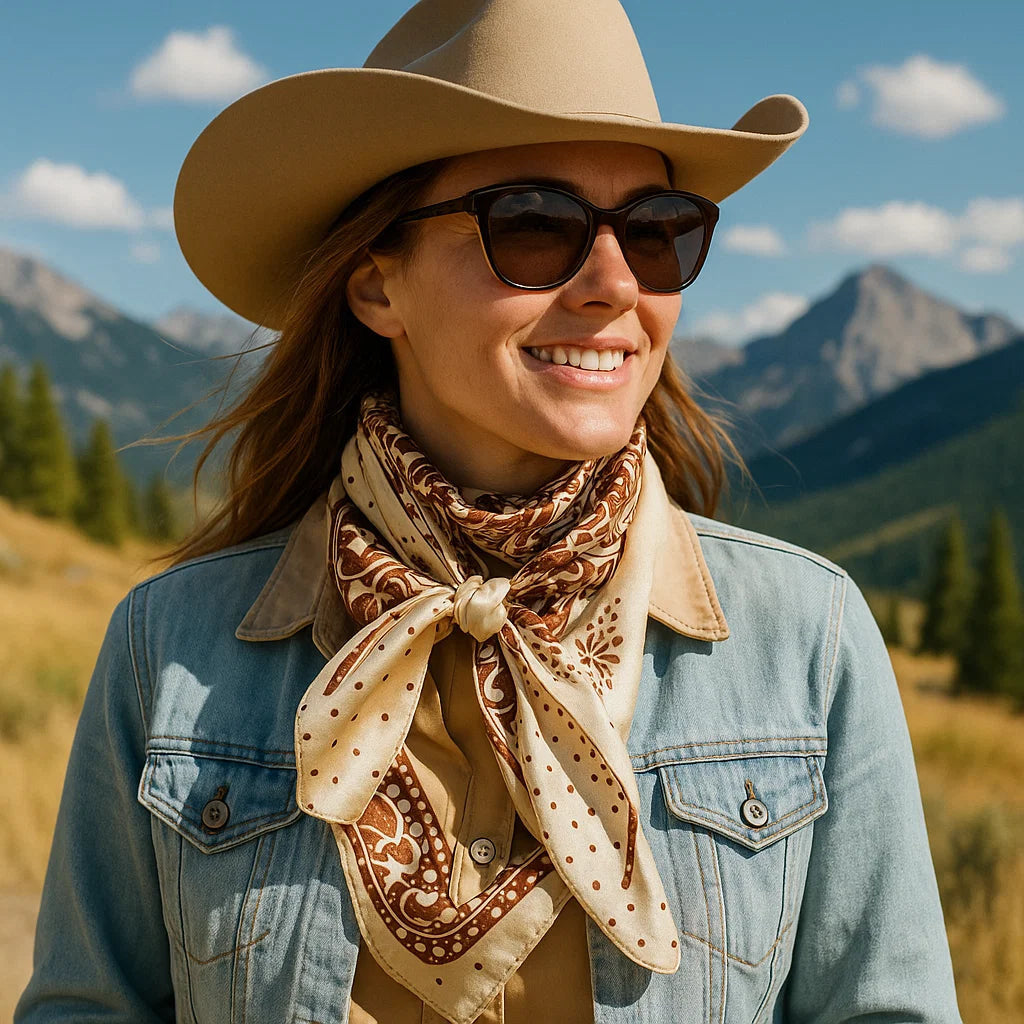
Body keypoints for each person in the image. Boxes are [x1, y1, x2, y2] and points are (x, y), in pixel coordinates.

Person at [17, 1, 963, 1021]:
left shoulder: (808, 641)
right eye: (533, 225)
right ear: (378, 286)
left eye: (656, 233)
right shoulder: (168, 648)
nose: (613, 284)